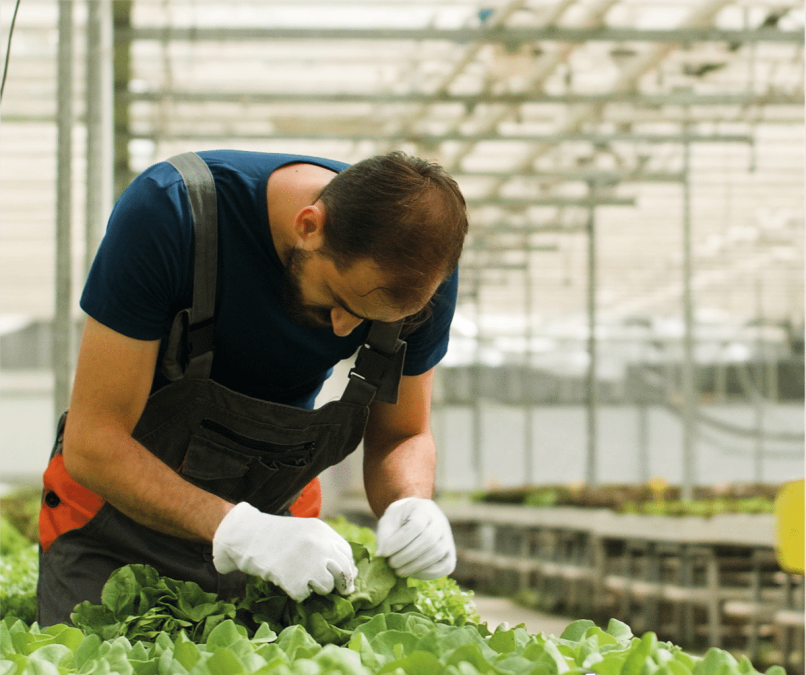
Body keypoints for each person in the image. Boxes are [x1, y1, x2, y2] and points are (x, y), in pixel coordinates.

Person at [36, 149, 468, 626]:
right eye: (338, 301)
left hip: (275, 527)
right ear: (309, 225)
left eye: (371, 321)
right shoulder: (172, 213)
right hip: (112, 523)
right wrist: (240, 531)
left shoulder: (415, 283)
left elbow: (402, 434)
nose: (344, 330)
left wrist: (411, 504)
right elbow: (94, 442)